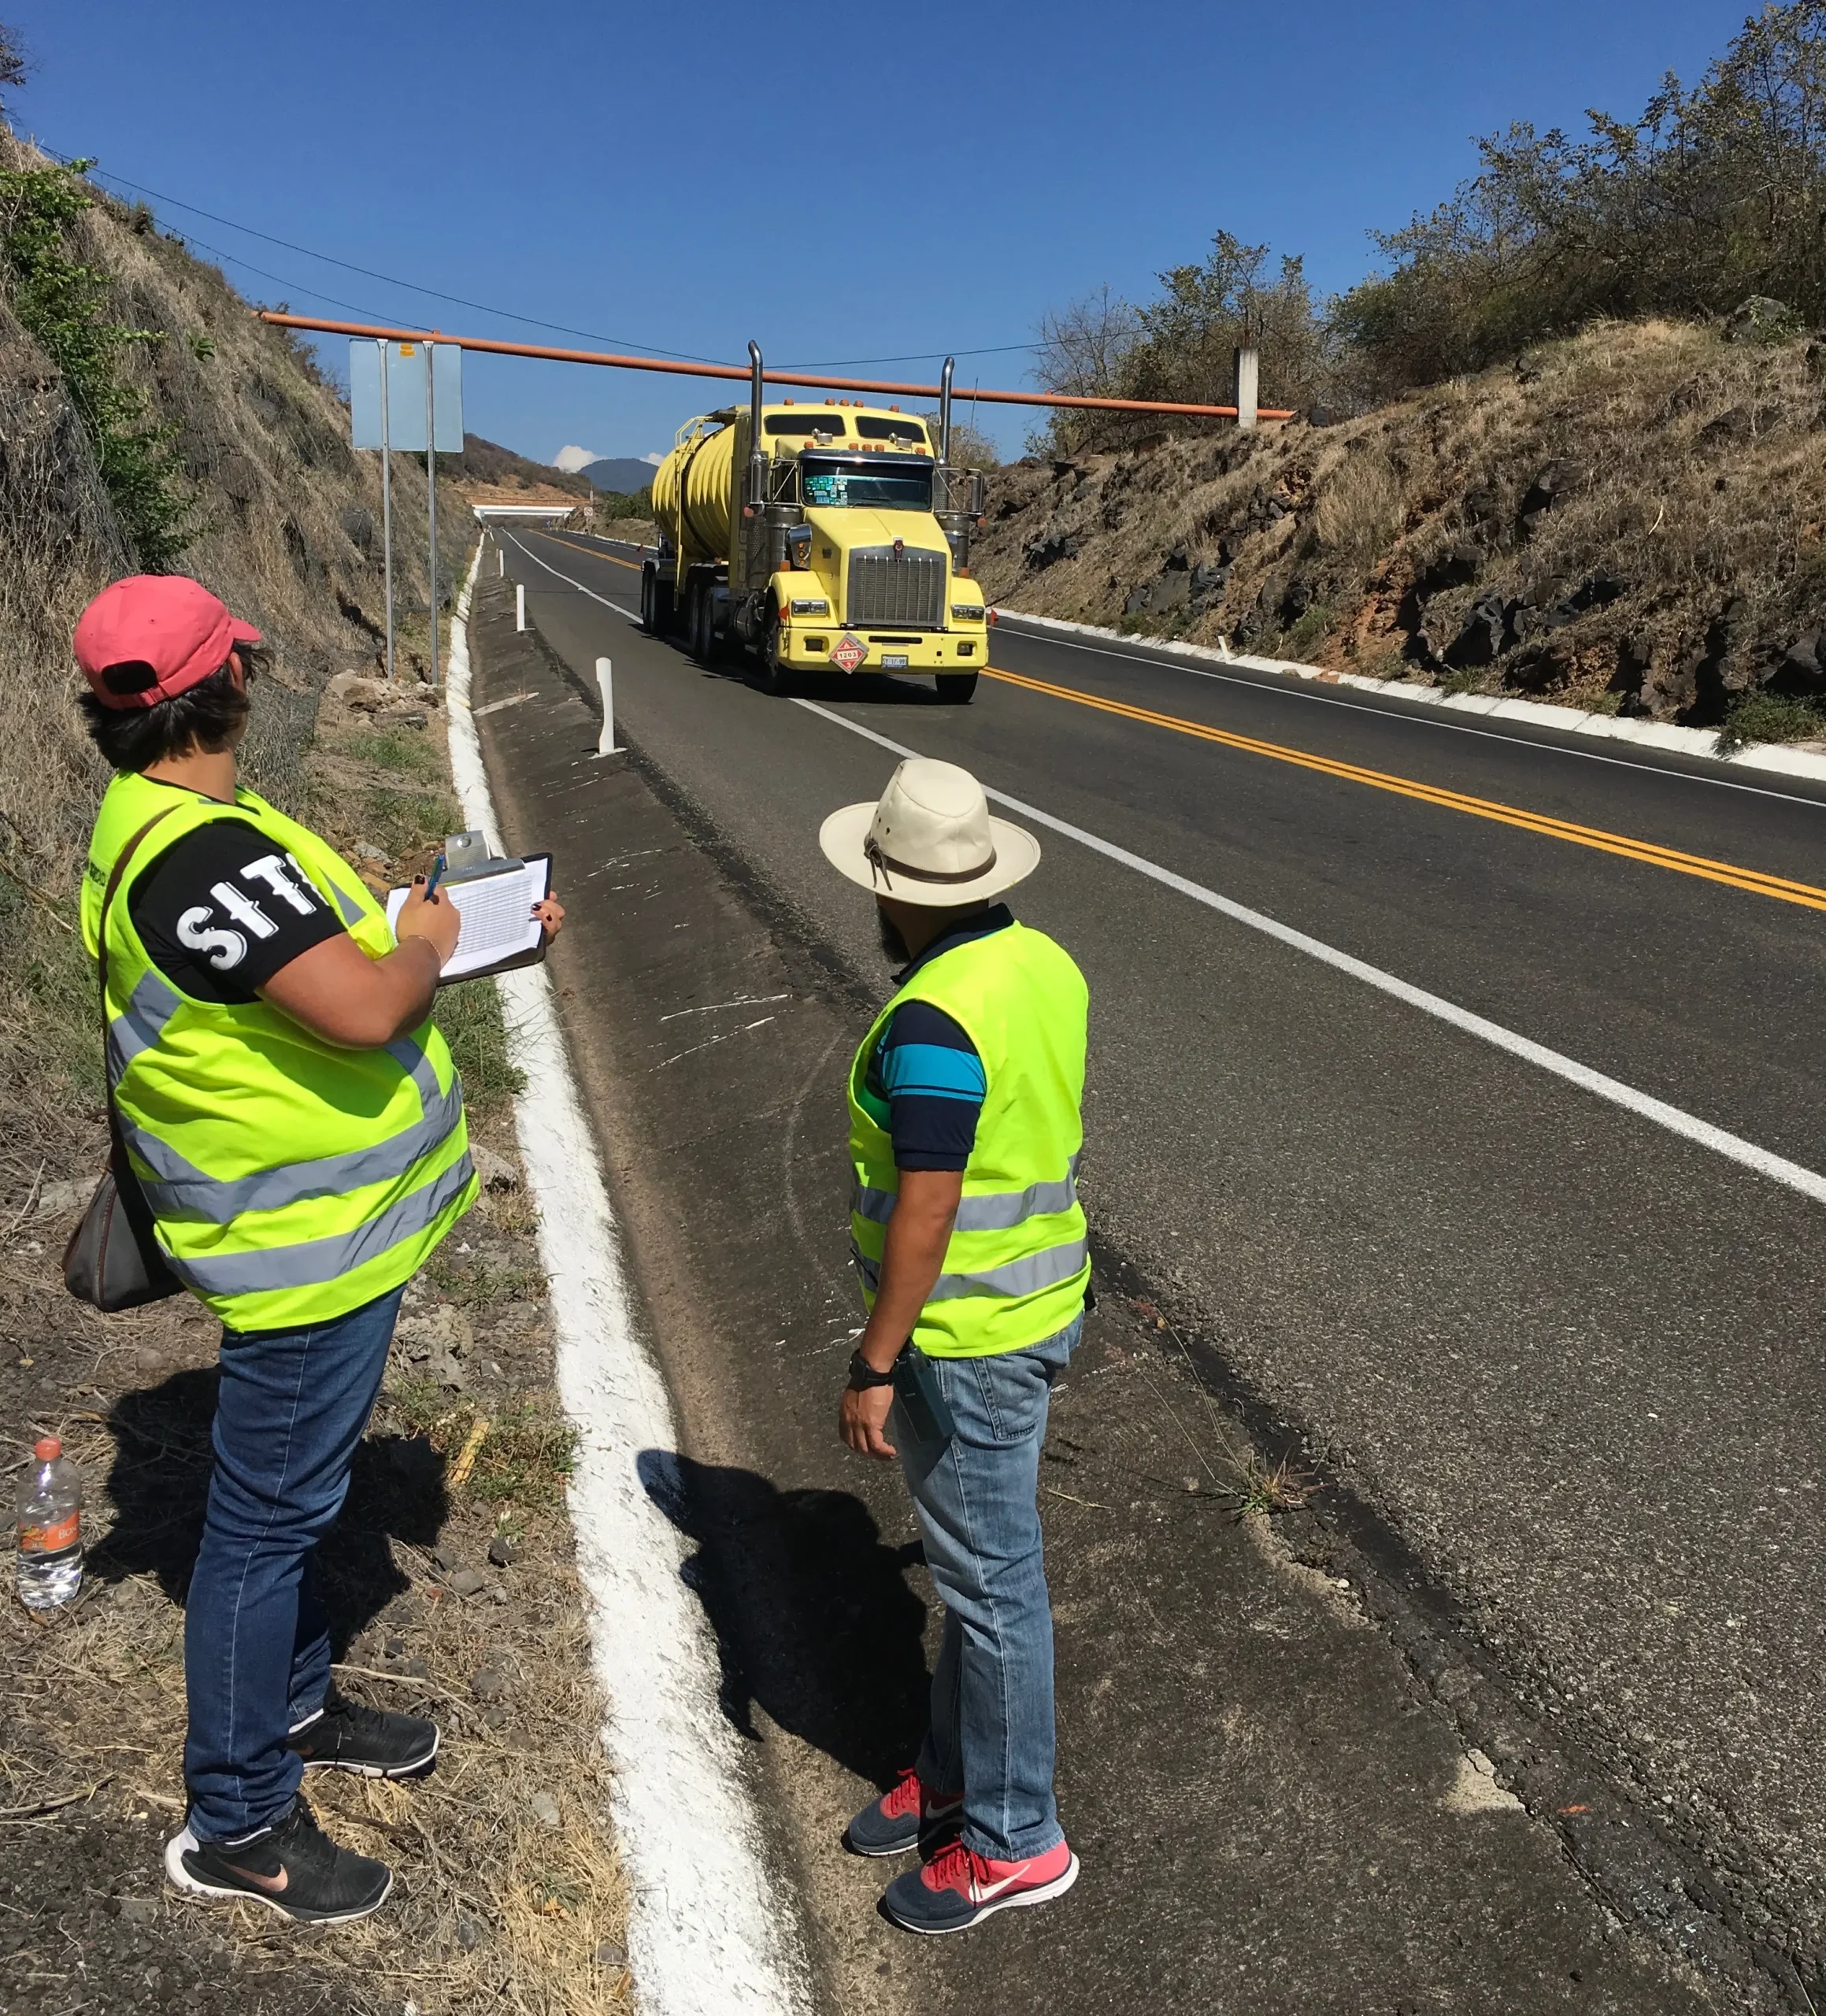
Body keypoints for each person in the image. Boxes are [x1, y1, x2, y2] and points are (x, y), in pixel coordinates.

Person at [72, 574, 562, 1924]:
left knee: (290, 1503)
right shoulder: (195, 853)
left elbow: (314, 963)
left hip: (326, 1235)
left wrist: (455, 937)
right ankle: (236, 1821)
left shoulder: (188, 824)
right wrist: (424, 944)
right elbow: (354, 1005)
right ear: (223, 687)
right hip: (297, 1250)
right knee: (263, 1527)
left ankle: (288, 1710)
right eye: (242, 655)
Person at [820, 757, 1090, 1935]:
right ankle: (952, 1772)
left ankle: (1013, 1841)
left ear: (901, 891)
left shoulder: (932, 1015)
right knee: (984, 1576)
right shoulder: (1038, 961)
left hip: (964, 1338)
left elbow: (929, 1200)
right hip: (1031, 1307)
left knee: (992, 1594)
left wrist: (874, 1362)